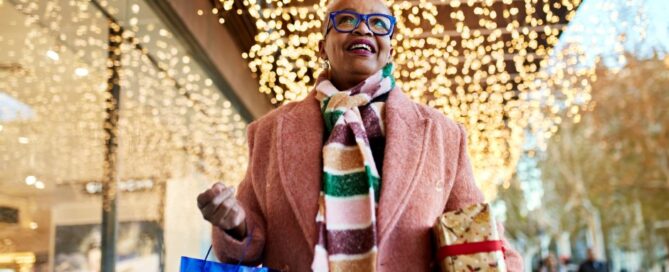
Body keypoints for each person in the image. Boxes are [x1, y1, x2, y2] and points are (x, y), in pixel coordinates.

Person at [196, 0, 523, 270]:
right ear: (322, 46)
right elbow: (251, 241)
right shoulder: (268, 132)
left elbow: (476, 234)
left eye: (379, 23)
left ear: (390, 48)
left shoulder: (442, 135)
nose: (363, 28)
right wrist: (234, 222)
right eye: (346, 19)